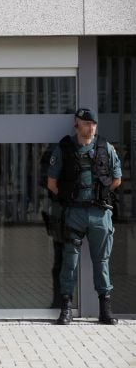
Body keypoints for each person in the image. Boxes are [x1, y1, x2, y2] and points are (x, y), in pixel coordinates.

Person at [47, 108, 122, 325]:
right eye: (86, 123)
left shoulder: (105, 148)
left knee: (102, 262)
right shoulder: (64, 148)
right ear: (76, 124)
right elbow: (52, 184)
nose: (91, 127)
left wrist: (104, 192)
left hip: (100, 213)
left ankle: (105, 311)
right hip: (74, 213)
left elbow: (117, 178)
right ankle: (66, 309)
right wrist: (68, 198)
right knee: (69, 261)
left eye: (93, 124)